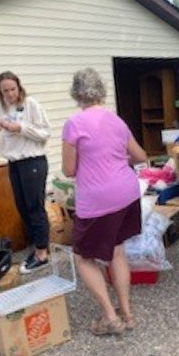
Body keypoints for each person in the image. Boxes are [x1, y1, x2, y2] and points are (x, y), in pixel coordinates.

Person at [61, 67, 148, 337]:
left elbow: (69, 170)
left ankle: (111, 317)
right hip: (127, 193)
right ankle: (128, 314)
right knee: (117, 250)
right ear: (101, 91)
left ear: (76, 94)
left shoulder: (74, 124)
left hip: (98, 199)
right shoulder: (117, 121)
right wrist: (117, 160)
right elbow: (141, 156)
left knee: (83, 257)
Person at [0, 71, 52, 274]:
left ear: (19, 87)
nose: (10, 94)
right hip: (14, 163)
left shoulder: (31, 105)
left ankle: (42, 253)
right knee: (22, 207)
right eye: (5, 91)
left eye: (13, 89)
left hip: (33, 160)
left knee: (34, 206)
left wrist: (20, 128)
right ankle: (39, 246)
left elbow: (45, 133)